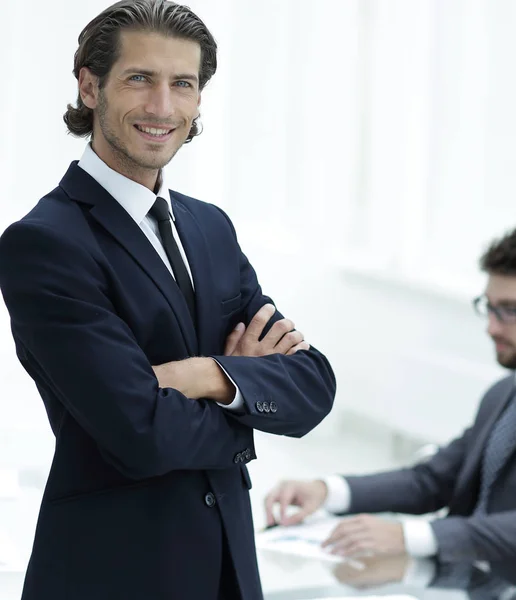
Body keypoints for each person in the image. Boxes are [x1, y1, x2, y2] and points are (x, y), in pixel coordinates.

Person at [0, 1, 336, 599]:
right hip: (113, 576)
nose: (162, 107)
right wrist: (246, 384)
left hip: (230, 574)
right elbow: (138, 432)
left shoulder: (210, 229)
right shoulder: (45, 243)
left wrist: (202, 374)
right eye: (139, 79)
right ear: (88, 86)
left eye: (182, 84)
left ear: (199, 100)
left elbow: (312, 387)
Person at [265, 224, 516, 584]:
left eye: (511, 311)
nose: (492, 327)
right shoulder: (507, 391)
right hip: (468, 579)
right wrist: (327, 490)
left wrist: (408, 535)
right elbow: (433, 480)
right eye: (489, 307)